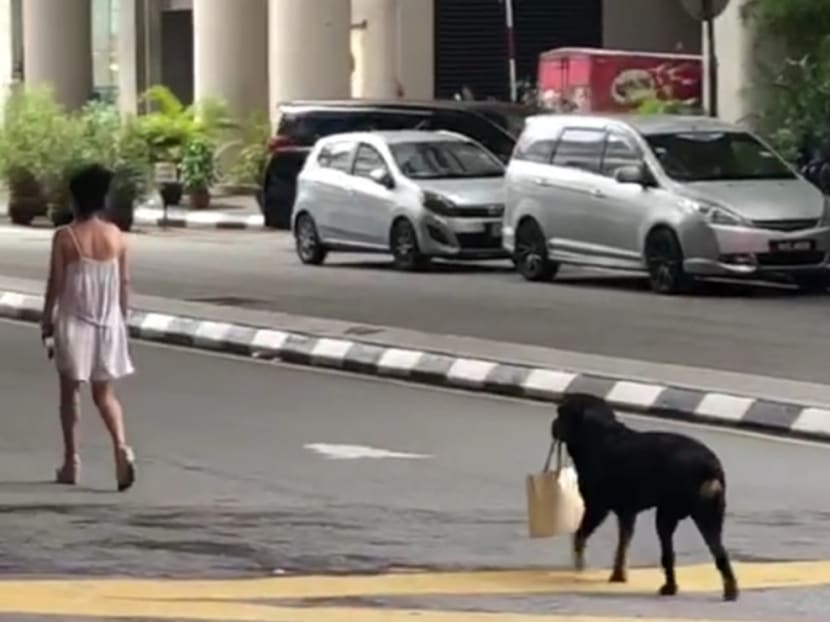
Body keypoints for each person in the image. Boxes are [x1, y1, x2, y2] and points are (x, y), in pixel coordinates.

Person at [40, 164, 136, 492]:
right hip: (107, 324)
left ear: (75, 200)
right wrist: (120, 321)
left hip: (74, 322)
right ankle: (120, 446)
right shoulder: (116, 236)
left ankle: (71, 462)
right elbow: (124, 283)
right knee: (105, 394)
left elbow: (55, 284)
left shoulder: (65, 237)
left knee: (70, 394)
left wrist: (46, 320)